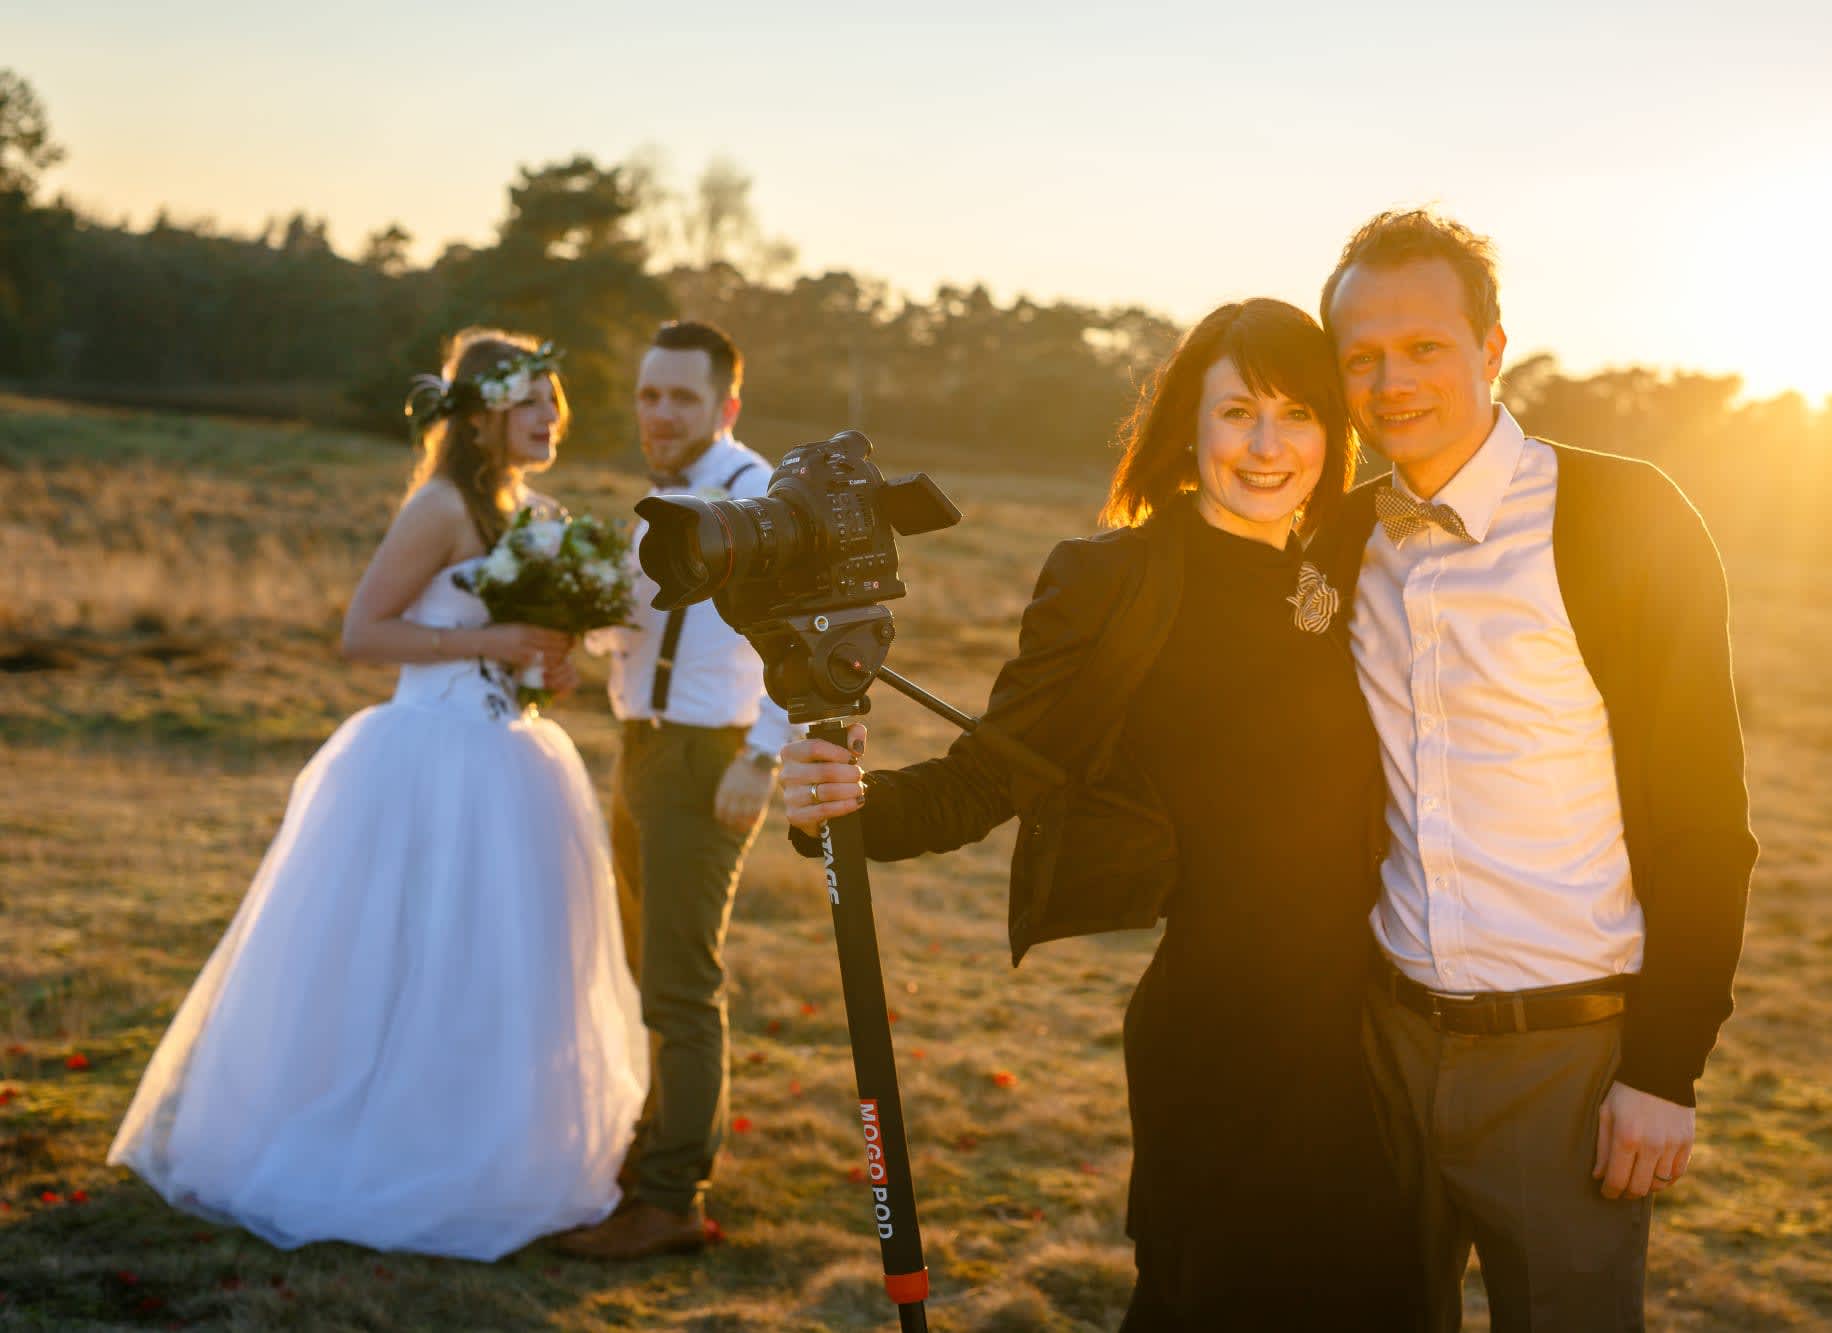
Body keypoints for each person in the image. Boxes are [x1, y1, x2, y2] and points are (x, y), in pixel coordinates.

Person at [779, 299, 1423, 1328]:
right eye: (1236, 413)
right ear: (1186, 426)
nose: (1267, 447)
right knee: (1209, 1301)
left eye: (1297, 414)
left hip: (1377, 1032)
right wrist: (844, 809)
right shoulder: (1115, 580)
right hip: (1225, 1035)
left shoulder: (1355, 560)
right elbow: (991, 774)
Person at [107, 329, 648, 1261]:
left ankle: (482, 1140)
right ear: (483, 413)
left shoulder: (535, 511)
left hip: (512, 759)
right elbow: (365, 631)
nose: (552, 419)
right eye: (535, 404)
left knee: (496, 960)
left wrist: (542, 659)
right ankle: (378, 1140)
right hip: (425, 757)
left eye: (554, 405)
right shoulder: (439, 507)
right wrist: (493, 640)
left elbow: (522, 644)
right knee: (405, 951)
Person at [1313, 210, 1758, 1331]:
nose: (1389, 379)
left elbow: (1706, 820)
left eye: (1423, 347)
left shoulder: (1623, 515)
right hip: (1380, 1050)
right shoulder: (1334, 541)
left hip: (1568, 1061)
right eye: (1359, 356)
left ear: (1491, 347)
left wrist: (1664, 1070)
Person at [553, 320, 793, 1260]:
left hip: (709, 757)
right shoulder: (657, 498)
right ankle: (648, 1156)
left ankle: (670, 1198)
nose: (660, 411)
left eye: (682, 397)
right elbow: (645, 638)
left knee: (683, 984)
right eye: (649, 394)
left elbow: (799, 634)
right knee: (646, 969)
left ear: (727, 406)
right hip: (642, 749)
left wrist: (762, 756)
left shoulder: (758, 496)